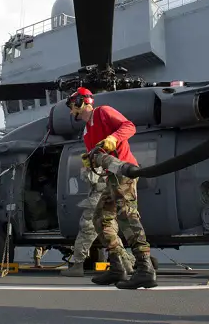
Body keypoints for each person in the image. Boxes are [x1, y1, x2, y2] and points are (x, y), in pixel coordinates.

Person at [66, 87, 157, 289]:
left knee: (127, 216)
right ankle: (117, 267)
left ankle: (145, 269)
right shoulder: (87, 132)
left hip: (124, 172)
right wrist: (90, 162)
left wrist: (113, 138)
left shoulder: (103, 112)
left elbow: (129, 126)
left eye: (72, 104)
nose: (71, 110)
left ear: (81, 102)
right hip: (110, 177)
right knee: (100, 218)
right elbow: (96, 157)